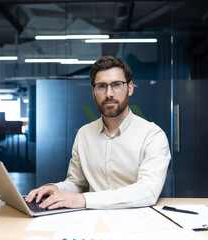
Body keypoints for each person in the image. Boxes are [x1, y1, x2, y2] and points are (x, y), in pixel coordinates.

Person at [25, 55, 171, 209]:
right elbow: (76, 183)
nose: (109, 93)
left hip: (136, 221)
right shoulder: (84, 134)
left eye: (117, 85)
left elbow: (147, 191)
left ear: (130, 88)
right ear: (93, 92)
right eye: (101, 86)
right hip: (93, 220)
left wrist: (84, 200)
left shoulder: (152, 135)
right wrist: (56, 189)